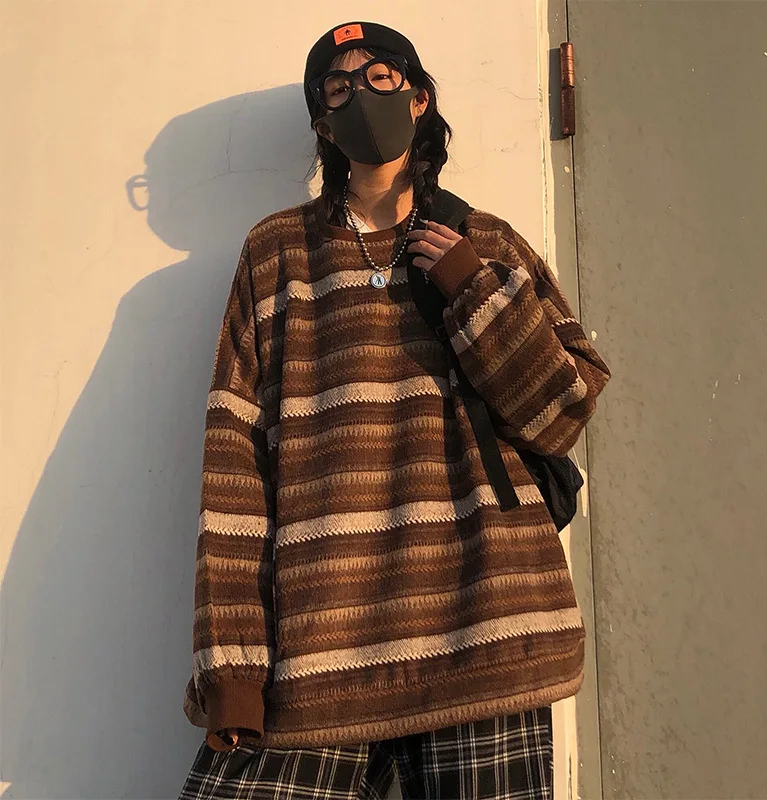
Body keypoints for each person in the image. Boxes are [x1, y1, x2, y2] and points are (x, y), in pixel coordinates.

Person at [177, 19, 611, 800]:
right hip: (324, 646)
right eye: (338, 87)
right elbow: (233, 471)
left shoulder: (483, 240)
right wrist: (232, 669)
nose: (361, 97)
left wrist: (470, 285)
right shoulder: (277, 254)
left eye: (380, 78)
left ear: (418, 99)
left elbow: (563, 411)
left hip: (488, 631)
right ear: (322, 123)